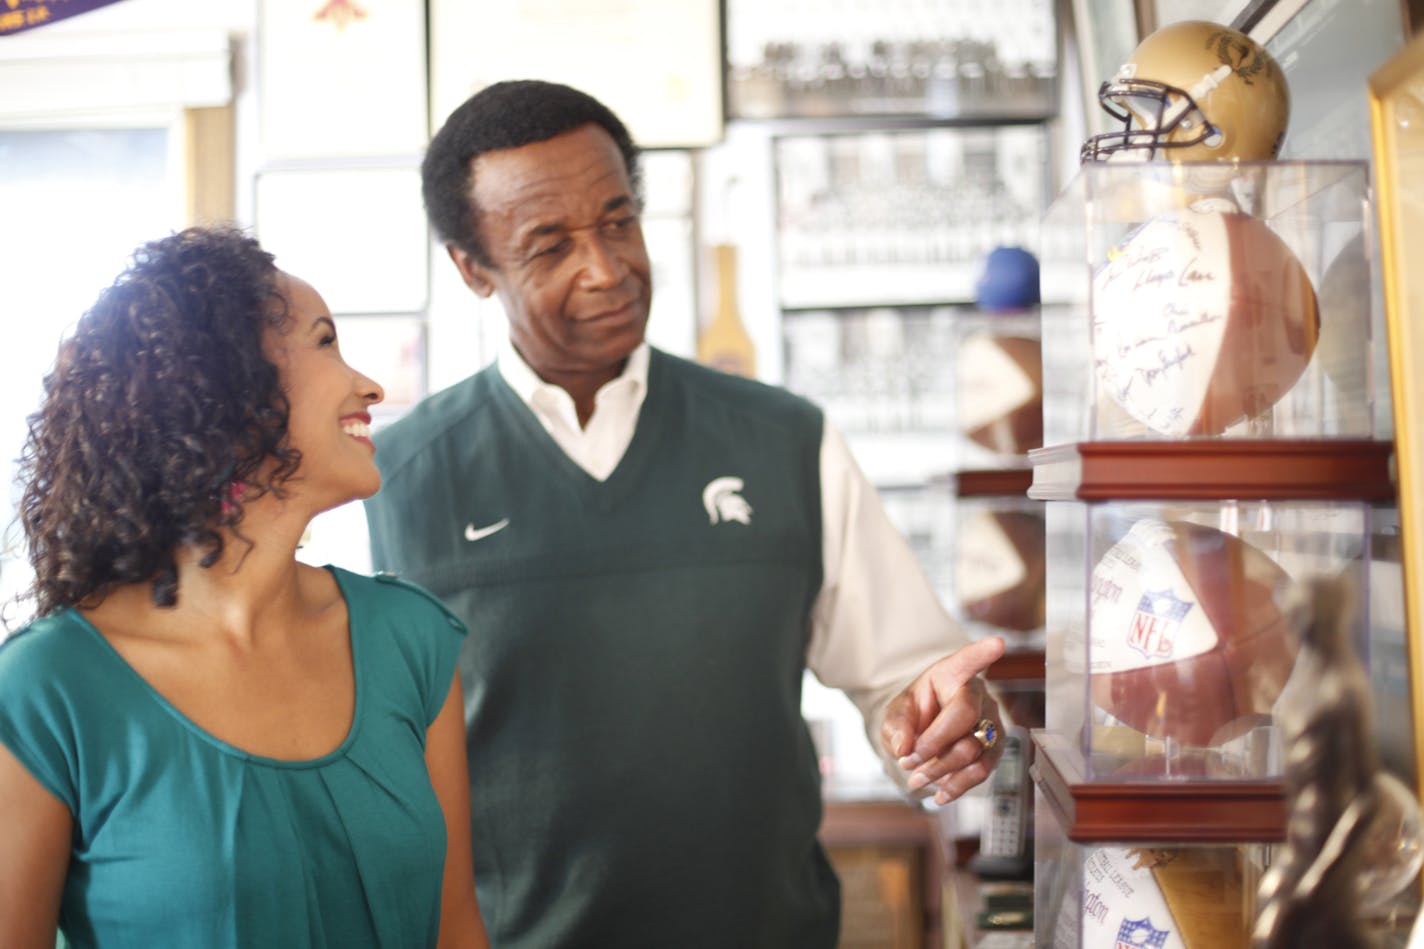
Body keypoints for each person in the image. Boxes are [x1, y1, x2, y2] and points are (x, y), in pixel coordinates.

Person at [365, 79, 1006, 948]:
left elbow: (906, 678)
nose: (606, 267)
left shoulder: (786, 440)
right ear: (474, 268)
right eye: (550, 245)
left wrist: (932, 726)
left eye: (619, 221)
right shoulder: (392, 480)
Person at [0, 226, 489, 949]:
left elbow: (455, 930)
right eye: (326, 343)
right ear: (227, 386)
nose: (370, 386)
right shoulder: (48, 687)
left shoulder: (410, 638)